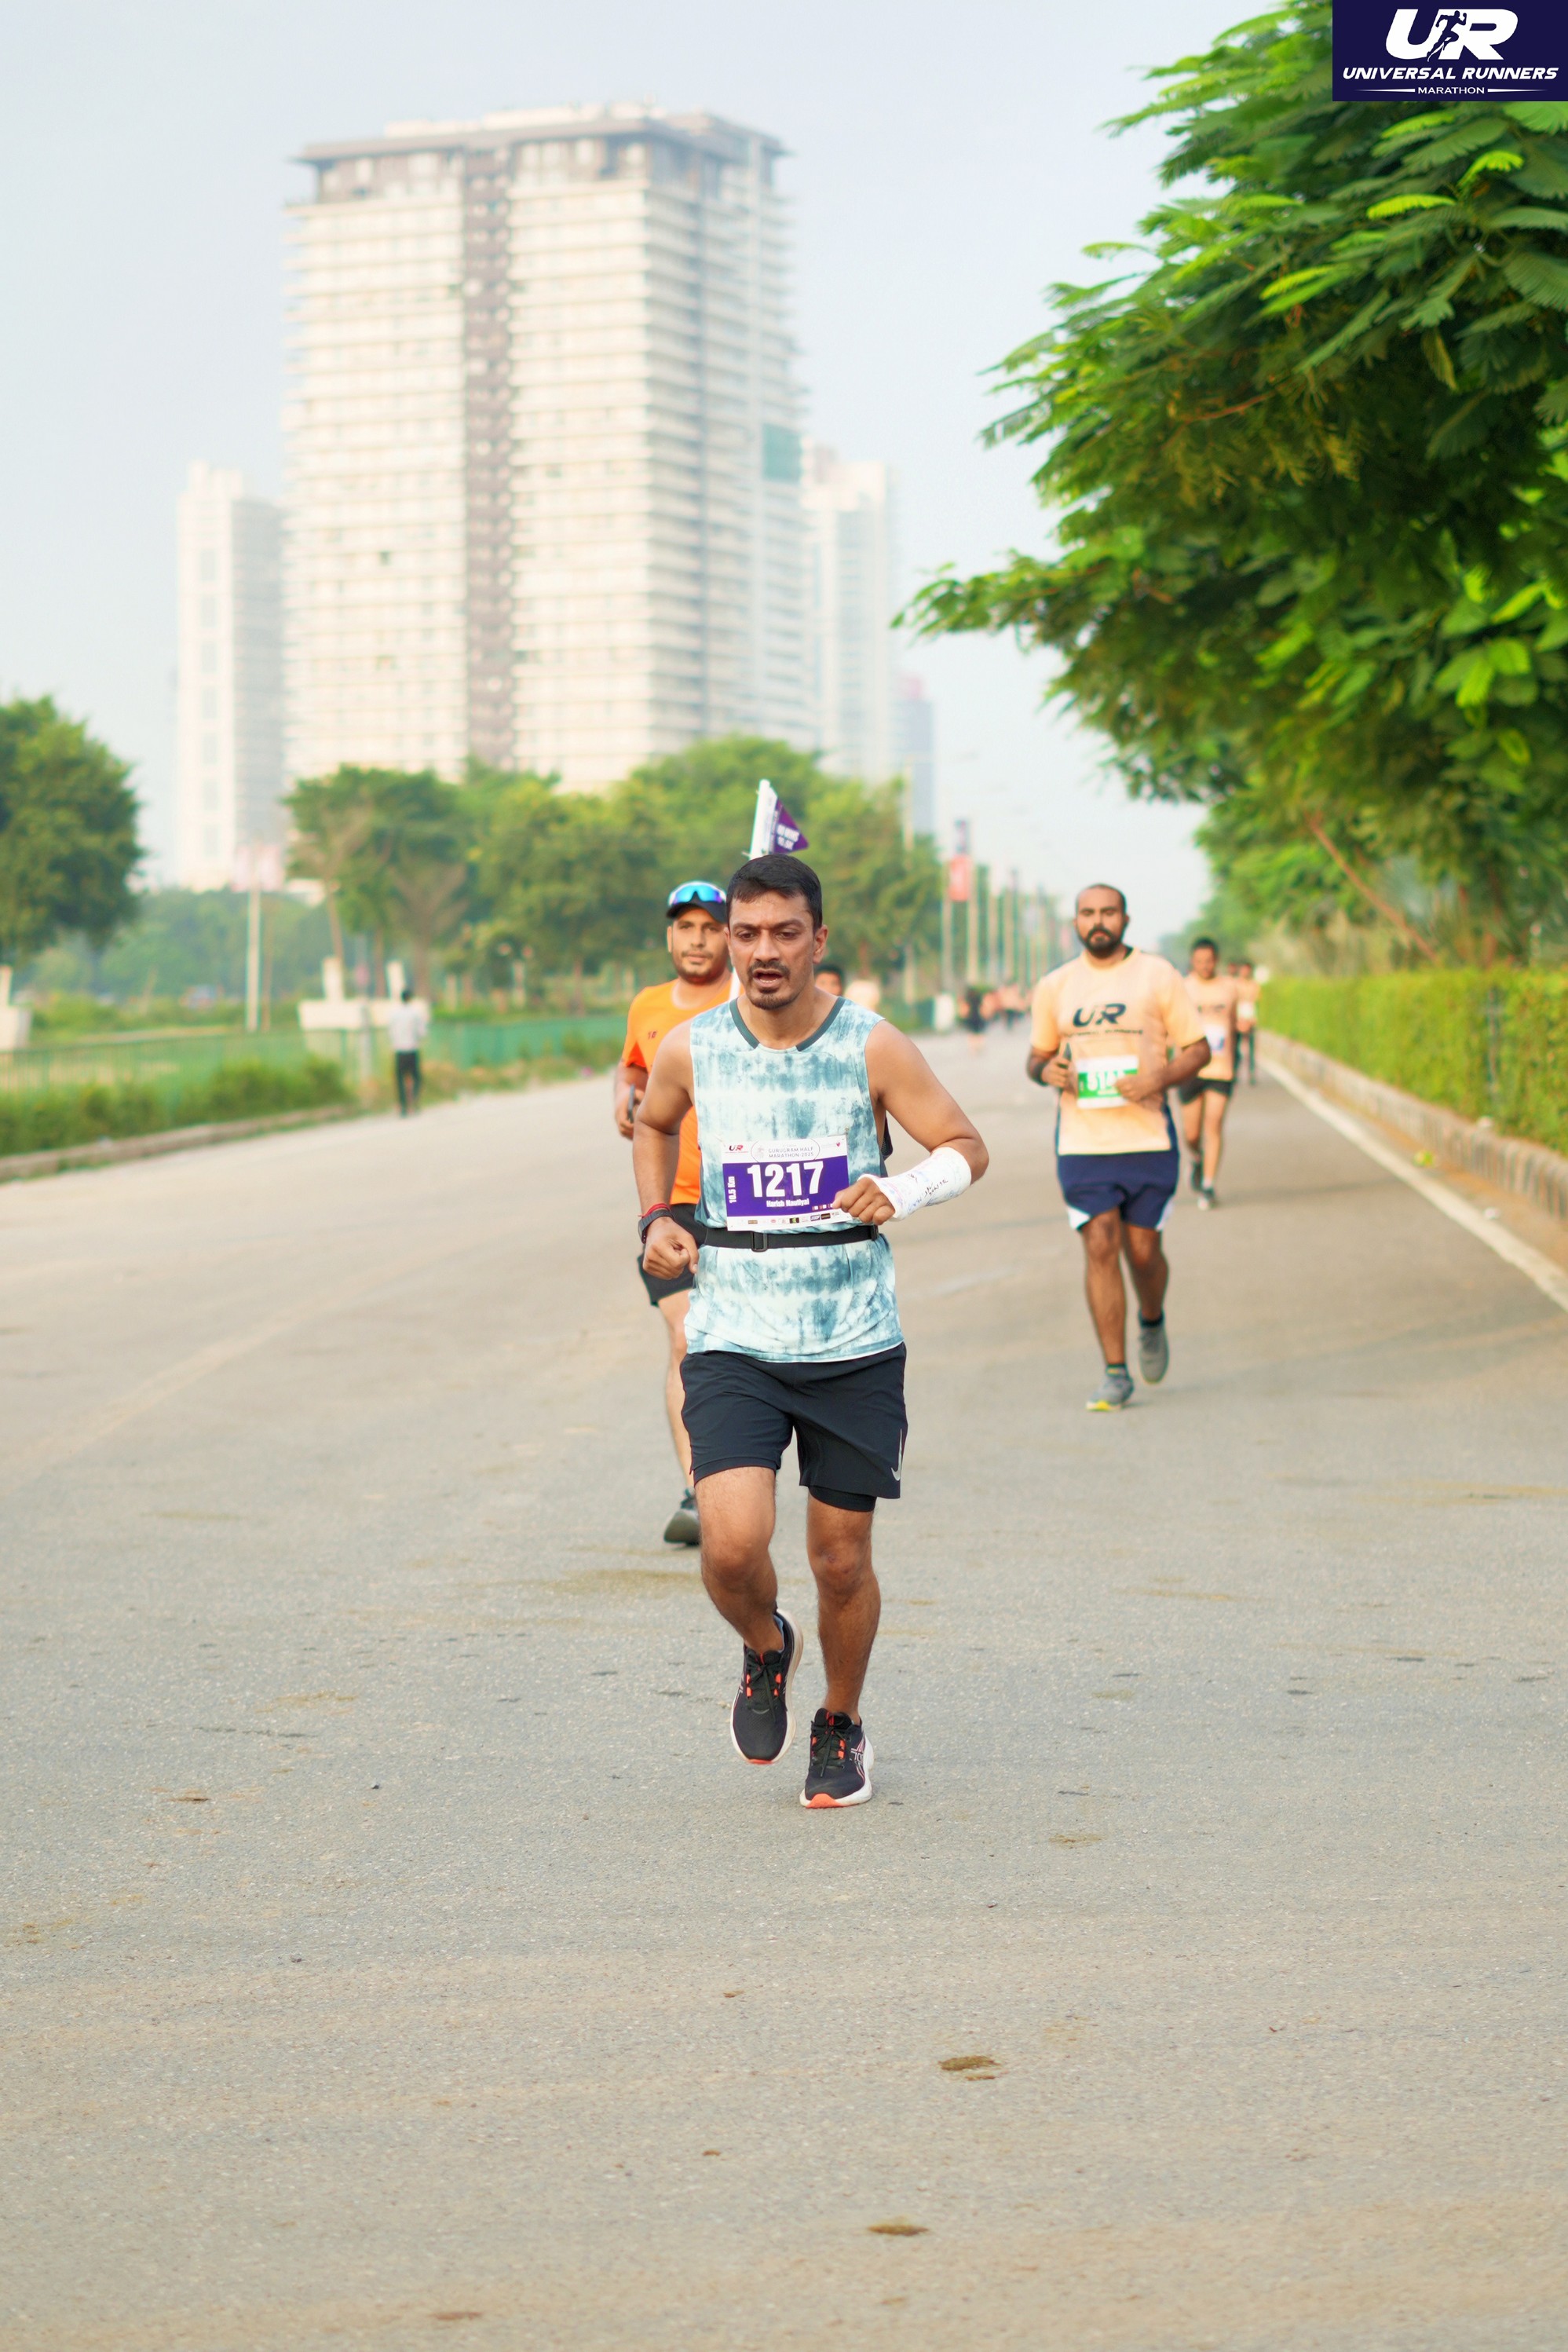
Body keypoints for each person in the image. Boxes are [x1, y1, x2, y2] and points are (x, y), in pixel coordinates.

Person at [634, 853, 988, 1809]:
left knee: (839, 1560)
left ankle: (839, 1720)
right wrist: (655, 1217)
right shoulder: (691, 1047)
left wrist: (903, 1188)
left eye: (783, 932)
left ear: (817, 939)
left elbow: (966, 1145)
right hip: (733, 1335)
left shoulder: (871, 1044)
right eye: (746, 933)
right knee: (729, 1546)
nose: (763, 951)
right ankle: (765, 1646)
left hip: (851, 1341)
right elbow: (653, 1125)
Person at [1027, 883, 1209, 1410]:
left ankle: (1151, 1318)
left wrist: (1158, 1077)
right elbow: (1036, 1057)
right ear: (1076, 923)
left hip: (1147, 1135)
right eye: (1088, 913)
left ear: (1125, 919)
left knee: (1144, 1252)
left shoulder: (1157, 975)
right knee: (1100, 1243)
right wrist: (1047, 1071)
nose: (1098, 921)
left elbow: (1197, 1050)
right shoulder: (1055, 985)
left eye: (1108, 912)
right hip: (1082, 1140)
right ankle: (1114, 1372)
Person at [615, 881, 733, 1545]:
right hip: (671, 1202)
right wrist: (622, 1093)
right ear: (669, 936)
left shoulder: (746, 1000)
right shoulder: (648, 1004)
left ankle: (747, 1469)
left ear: (729, 935)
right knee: (685, 1337)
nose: (697, 939)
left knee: (737, 1343)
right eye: (685, 926)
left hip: (740, 1199)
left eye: (710, 927)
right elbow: (633, 1069)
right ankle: (699, 1488)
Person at [1180, 938, 1240, 1209]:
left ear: (1216, 960)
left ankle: (1208, 1185)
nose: (1205, 966)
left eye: (1209, 961)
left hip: (1220, 1067)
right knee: (1192, 1134)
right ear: (1193, 962)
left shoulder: (1229, 988)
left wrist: (1235, 1061)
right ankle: (1197, 1158)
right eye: (1200, 961)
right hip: (1190, 1068)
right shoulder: (1183, 988)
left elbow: (1234, 1025)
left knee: (1214, 1125)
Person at [386, 987, 429, 1114]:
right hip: (412, 1048)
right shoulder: (415, 1014)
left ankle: (403, 1105)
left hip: (399, 1050)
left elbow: (390, 1032)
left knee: (400, 1079)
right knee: (416, 1077)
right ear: (410, 998)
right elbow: (422, 1033)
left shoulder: (394, 1014)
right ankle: (414, 1101)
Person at [1234, 960, 1259, 1083]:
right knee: (1236, 1048)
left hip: (1250, 1017)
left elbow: (1255, 1001)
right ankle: (1235, 1072)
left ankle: (1251, 1073)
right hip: (1238, 1018)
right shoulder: (1235, 985)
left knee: (1251, 1049)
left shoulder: (1254, 985)